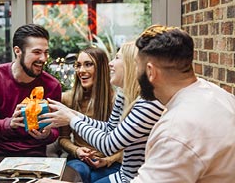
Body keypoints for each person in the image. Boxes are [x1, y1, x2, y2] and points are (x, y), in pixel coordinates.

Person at [39, 41, 165, 183]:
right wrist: (71, 114)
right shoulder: (124, 96)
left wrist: (71, 119)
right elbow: (109, 128)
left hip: (133, 178)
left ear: (131, 64)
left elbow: (109, 144)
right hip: (123, 175)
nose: (111, 63)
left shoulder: (147, 104)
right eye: (78, 65)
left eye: (117, 58)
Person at [131, 25, 235, 182]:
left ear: (151, 72)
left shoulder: (176, 131)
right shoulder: (219, 95)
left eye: (136, 64)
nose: (136, 72)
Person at [0, 24, 62, 156]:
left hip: (36, 156)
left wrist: (46, 135)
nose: (43, 58)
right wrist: (10, 123)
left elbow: (56, 131)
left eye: (46, 52)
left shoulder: (52, 85)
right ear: (18, 51)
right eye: (37, 52)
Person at [59, 47, 121, 183]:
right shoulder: (68, 98)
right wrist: (77, 150)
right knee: (80, 172)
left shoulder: (116, 100)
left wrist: (107, 160)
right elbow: (63, 138)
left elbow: (126, 146)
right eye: (78, 65)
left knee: (94, 178)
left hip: (109, 161)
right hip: (78, 160)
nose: (81, 71)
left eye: (88, 64)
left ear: (102, 69)